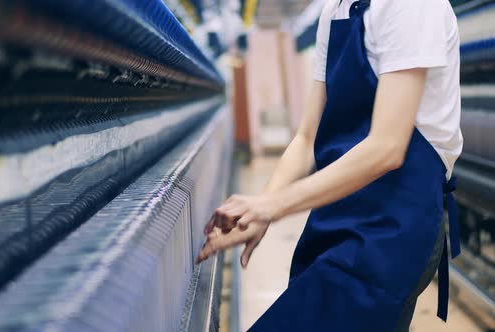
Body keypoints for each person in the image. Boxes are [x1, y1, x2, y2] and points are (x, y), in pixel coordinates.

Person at [195, 0, 463, 330]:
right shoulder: (335, 10)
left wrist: (272, 206)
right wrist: (259, 211)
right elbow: (307, 138)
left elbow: (387, 147)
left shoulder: (411, 5)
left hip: (390, 229)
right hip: (334, 219)